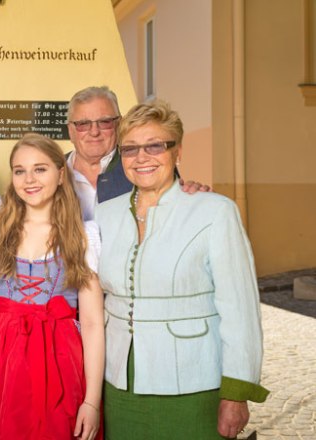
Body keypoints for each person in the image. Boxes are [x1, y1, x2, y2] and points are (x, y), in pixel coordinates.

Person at [97, 100, 268, 439]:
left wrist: (236, 393)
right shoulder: (105, 214)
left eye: (155, 146)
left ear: (177, 152)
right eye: (130, 148)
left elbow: (240, 308)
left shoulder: (214, 212)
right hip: (119, 383)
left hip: (195, 382)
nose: (141, 157)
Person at [0, 134, 104, 440]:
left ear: (61, 174)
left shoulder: (82, 236)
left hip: (61, 361)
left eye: (40, 169)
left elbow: (91, 322)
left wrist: (92, 400)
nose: (29, 179)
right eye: (19, 170)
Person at [66, 86, 209, 221]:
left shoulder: (144, 166)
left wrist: (194, 194)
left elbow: (179, 206)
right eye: (83, 124)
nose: (94, 132)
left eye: (105, 122)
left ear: (119, 124)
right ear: (70, 130)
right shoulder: (50, 170)